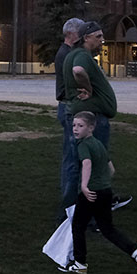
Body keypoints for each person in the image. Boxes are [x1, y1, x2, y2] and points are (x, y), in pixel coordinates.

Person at [59, 111, 137, 274]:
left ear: (91, 127)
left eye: (80, 126)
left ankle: (79, 263)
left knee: (77, 226)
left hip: (90, 193)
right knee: (107, 228)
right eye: (74, 125)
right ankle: (136, 251)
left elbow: (86, 164)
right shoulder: (98, 144)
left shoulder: (83, 145)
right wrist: (103, 183)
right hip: (105, 192)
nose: (75, 129)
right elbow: (111, 169)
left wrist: (85, 186)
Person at [63, 21, 131, 210]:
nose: (102, 40)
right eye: (98, 36)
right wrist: (89, 88)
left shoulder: (75, 55)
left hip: (84, 115)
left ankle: (72, 212)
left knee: (79, 164)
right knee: (92, 166)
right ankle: (89, 214)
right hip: (90, 119)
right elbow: (78, 71)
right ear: (86, 38)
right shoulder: (82, 56)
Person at [54, 17, 85, 221]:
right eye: (80, 32)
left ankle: (69, 203)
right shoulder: (66, 55)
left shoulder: (67, 53)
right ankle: (69, 206)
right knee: (73, 160)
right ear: (71, 34)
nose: (82, 36)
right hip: (68, 107)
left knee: (70, 158)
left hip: (66, 106)